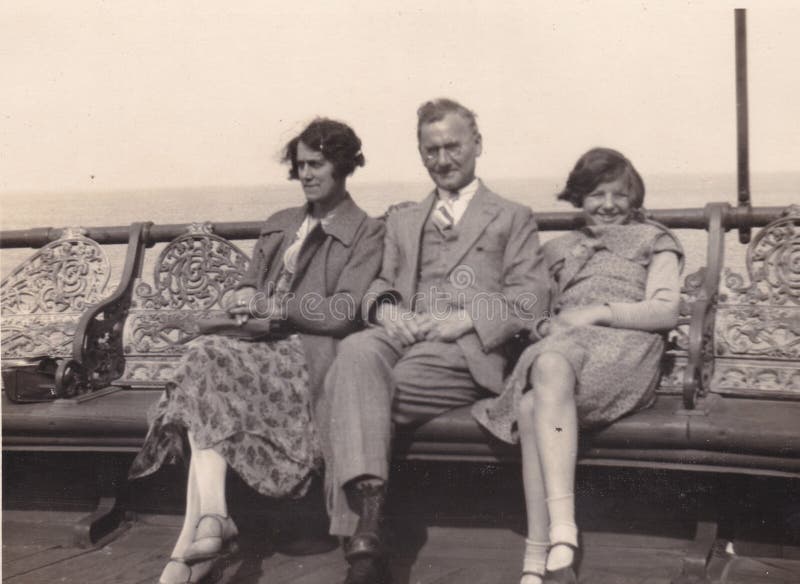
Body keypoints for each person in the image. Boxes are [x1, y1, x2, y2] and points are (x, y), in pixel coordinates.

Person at [128, 118, 385, 584]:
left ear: (344, 166)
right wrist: (239, 297)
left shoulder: (365, 232)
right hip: (252, 348)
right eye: (300, 164)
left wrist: (276, 305)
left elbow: (342, 313)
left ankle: (191, 549)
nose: (306, 174)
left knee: (202, 363)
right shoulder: (280, 223)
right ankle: (209, 524)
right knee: (205, 368)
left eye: (317, 164)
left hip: (305, 354)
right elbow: (249, 282)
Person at [319, 98, 551, 584]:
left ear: (477, 146)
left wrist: (465, 319)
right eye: (431, 150)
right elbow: (378, 283)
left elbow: (530, 299)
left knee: (355, 388)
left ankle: (361, 538)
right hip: (404, 334)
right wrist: (388, 310)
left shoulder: (511, 216)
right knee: (354, 352)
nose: (442, 160)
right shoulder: (403, 219)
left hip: (465, 350)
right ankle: (368, 531)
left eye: (453, 147)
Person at [473, 147, 684, 584]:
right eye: (596, 194)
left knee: (544, 383)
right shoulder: (557, 251)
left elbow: (664, 312)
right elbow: (529, 310)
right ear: (579, 199)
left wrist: (597, 312)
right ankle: (554, 547)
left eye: (619, 195)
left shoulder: (655, 240)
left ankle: (546, 542)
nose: (608, 204)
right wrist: (545, 324)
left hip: (625, 350)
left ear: (635, 198)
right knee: (534, 400)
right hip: (566, 354)